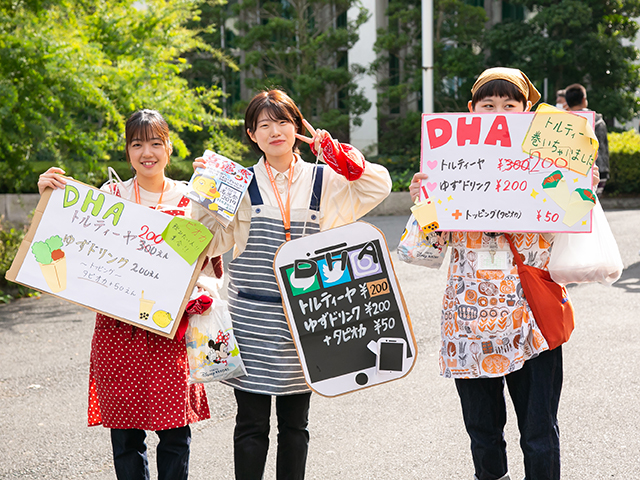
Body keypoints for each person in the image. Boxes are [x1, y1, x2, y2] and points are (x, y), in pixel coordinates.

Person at [409, 67, 599, 480]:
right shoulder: (449, 165)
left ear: (526, 109)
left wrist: (583, 189)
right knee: (482, 433)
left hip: (529, 317)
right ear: (471, 110)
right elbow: (425, 252)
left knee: (539, 433)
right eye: (488, 105)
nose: (499, 113)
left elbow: (571, 229)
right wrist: (422, 202)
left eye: (510, 106)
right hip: (469, 323)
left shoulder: (549, 160)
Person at [197, 89, 392, 480]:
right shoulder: (238, 182)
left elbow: (378, 186)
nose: (275, 131)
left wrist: (338, 153)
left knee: (296, 423)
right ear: (252, 134)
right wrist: (205, 195)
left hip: (306, 319)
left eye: (283, 121)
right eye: (264, 124)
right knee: (250, 422)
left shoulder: (324, 177)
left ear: (298, 126)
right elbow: (211, 242)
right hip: (250, 316)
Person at [37, 109, 223, 480]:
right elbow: (66, 246)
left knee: (175, 433)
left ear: (169, 149)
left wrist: (216, 193)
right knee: (125, 436)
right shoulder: (110, 196)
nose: (147, 152)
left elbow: (211, 261)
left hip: (171, 329)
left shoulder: (191, 199)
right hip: (118, 329)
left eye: (156, 143)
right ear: (127, 151)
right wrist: (49, 197)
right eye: (137, 144)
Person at [565, 83, 609, 195]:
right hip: (598, 171)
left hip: (571, 171)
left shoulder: (563, 122)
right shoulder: (597, 121)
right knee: (593, 204)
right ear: (584, 100)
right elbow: (603, 147)